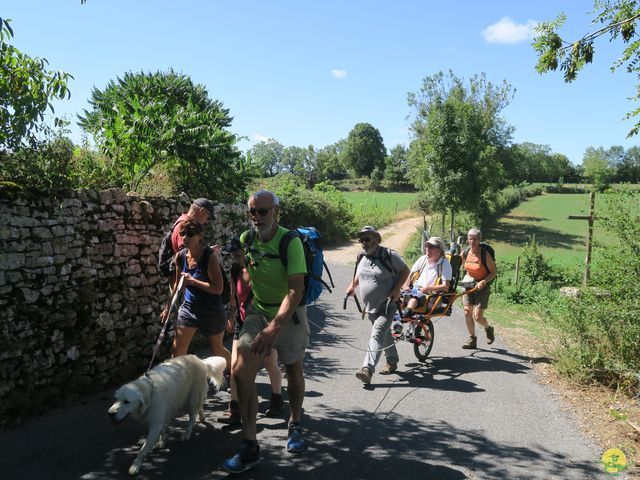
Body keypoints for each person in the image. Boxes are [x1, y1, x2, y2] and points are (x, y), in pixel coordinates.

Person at [223, 190, 309, 474]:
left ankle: (295, 423)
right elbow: (250, 275)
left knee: (293, 368)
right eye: (253, 212)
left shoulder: (290, 241)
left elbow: (296, 290)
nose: (257, 217)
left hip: (289, 314)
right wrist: (238, 270)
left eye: (263, 211)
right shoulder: (247, 240)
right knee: (240, 371)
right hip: (259, 311)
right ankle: (250, 444)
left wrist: (275, 327)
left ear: (276, 212)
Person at [218, 236, 284, 426]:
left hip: (262, 321)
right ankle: (234, 408)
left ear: (247, 251)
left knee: (270, 361)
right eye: (232, 255)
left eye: (238, 254)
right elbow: (233, 296)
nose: (235, 258)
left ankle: (277, 398)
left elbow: (267, 295)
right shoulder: (235, 269)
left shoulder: (259, 269)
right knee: (235, 366)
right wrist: (231, 316)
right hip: (242, 321)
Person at [160, 220, 230, 369]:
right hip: (189, 308)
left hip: (211, 310)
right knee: (177, 349)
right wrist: (167, 308)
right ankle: (178, 382)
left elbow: (218, 288)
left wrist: (193, 281)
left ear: (200, 236)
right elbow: (177, 285)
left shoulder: (209, 257)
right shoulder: (181, 256)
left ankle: (234, 372)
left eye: (190, 234)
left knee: (217, 349)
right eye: (182, 234)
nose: (185, 238)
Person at [346, 226, 409, 384]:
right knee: (384, 333)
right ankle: (392, 360)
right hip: (370, 307)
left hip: (387, 304)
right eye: (361, 240)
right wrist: (352, 286)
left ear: (377, 239)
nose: (364, 243)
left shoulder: (389, 255)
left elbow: (405, 271)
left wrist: (396, 289)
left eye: (367, 239)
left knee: (378, 332)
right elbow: (359, 275)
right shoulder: (362, 256)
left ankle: (367, 368)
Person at [167, 198, 216, 288]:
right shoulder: (185, 226)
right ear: (202, 211)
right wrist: (207, 254)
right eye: (207, 218)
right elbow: (186, 255)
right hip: (182, 284)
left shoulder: (183, 222)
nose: (206, 222)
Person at [461, 228, 497, 349]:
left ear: (479, 240)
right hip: (468, 286)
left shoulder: (484, 254)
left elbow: (493, 272)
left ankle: (488, 328)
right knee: (467, 312)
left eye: (475, 239)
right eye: (470, 238)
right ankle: (472, 339)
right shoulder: (465, 253)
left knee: (478, 317)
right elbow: (462, 266)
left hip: (482, 287)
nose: (472, 241)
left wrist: (483, 281)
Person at [400, 236, 452, 317]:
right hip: (415, 289)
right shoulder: (423, 259)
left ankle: (406, 313)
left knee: (414, 299)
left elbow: (445, 287)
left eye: (431, 247)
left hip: (429, 295)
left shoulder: (445, 264)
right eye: (427, 246)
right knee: (395, 296)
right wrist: (406, 285)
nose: (427, 248)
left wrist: (427, 288)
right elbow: (410, 275)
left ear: (439, 250)